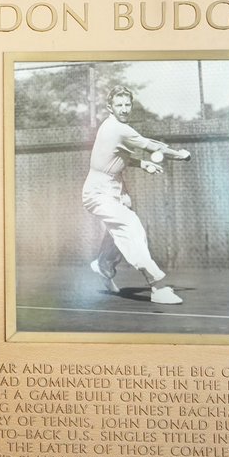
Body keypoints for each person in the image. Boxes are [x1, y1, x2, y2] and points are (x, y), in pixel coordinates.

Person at [83, 85, 191, 305]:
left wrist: (142, 164)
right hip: (98, 192)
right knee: (131, 226)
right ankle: (157, 287)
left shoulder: (116, 128)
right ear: (110, 107)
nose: (124, 109)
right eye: (119, 105)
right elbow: (151, 145)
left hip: (115, 189)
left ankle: (103, 264)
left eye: (127, 104)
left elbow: (115, 158)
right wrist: (179, 154)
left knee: (118, 231)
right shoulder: (117, 128)